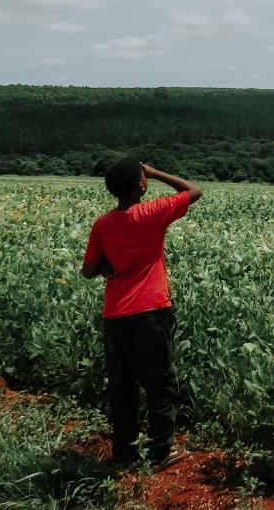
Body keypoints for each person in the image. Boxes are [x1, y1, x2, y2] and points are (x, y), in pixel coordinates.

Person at [81, 159, 203, 470]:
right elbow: (194, 191)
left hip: (115, 315)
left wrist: (110, 267)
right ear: (143, 185)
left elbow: (88, 270)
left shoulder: (102, 224)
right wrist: (155, 170)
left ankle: (124, 454)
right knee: (160, 382)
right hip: (150, 312)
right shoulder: (152, 212)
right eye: (143, 178)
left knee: (122, 387)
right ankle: (161, 451)